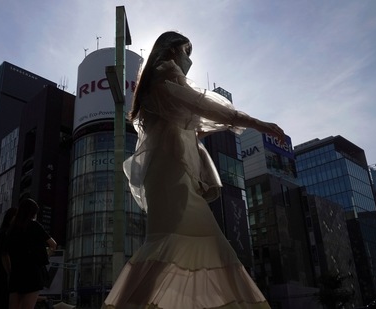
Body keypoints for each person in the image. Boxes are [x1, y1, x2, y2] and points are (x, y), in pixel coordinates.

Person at [102, 31, 284, 309]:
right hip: (170, 176)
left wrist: (208, 129)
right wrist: (258, 123)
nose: (189, 58)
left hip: (174, 174)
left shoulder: (161, 86)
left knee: (197, 244)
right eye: (186, 51)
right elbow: (204, 106)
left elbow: (189, 127)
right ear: (171, 49)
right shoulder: (163, 80)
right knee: (174, 243)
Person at [2, 198, 57, 309]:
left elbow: (4, 254)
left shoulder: (11, 229)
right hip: (32, 272)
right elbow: (53, 244)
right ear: (33, 213)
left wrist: (9, 271)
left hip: (16, 273)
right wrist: (47, 254)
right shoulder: (35, 226)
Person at [0, 207, 18, 309]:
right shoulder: (7, 233)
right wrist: (10, 272)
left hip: (2, 276)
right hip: (5, 277)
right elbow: (4, 254)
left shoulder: (4, 232)